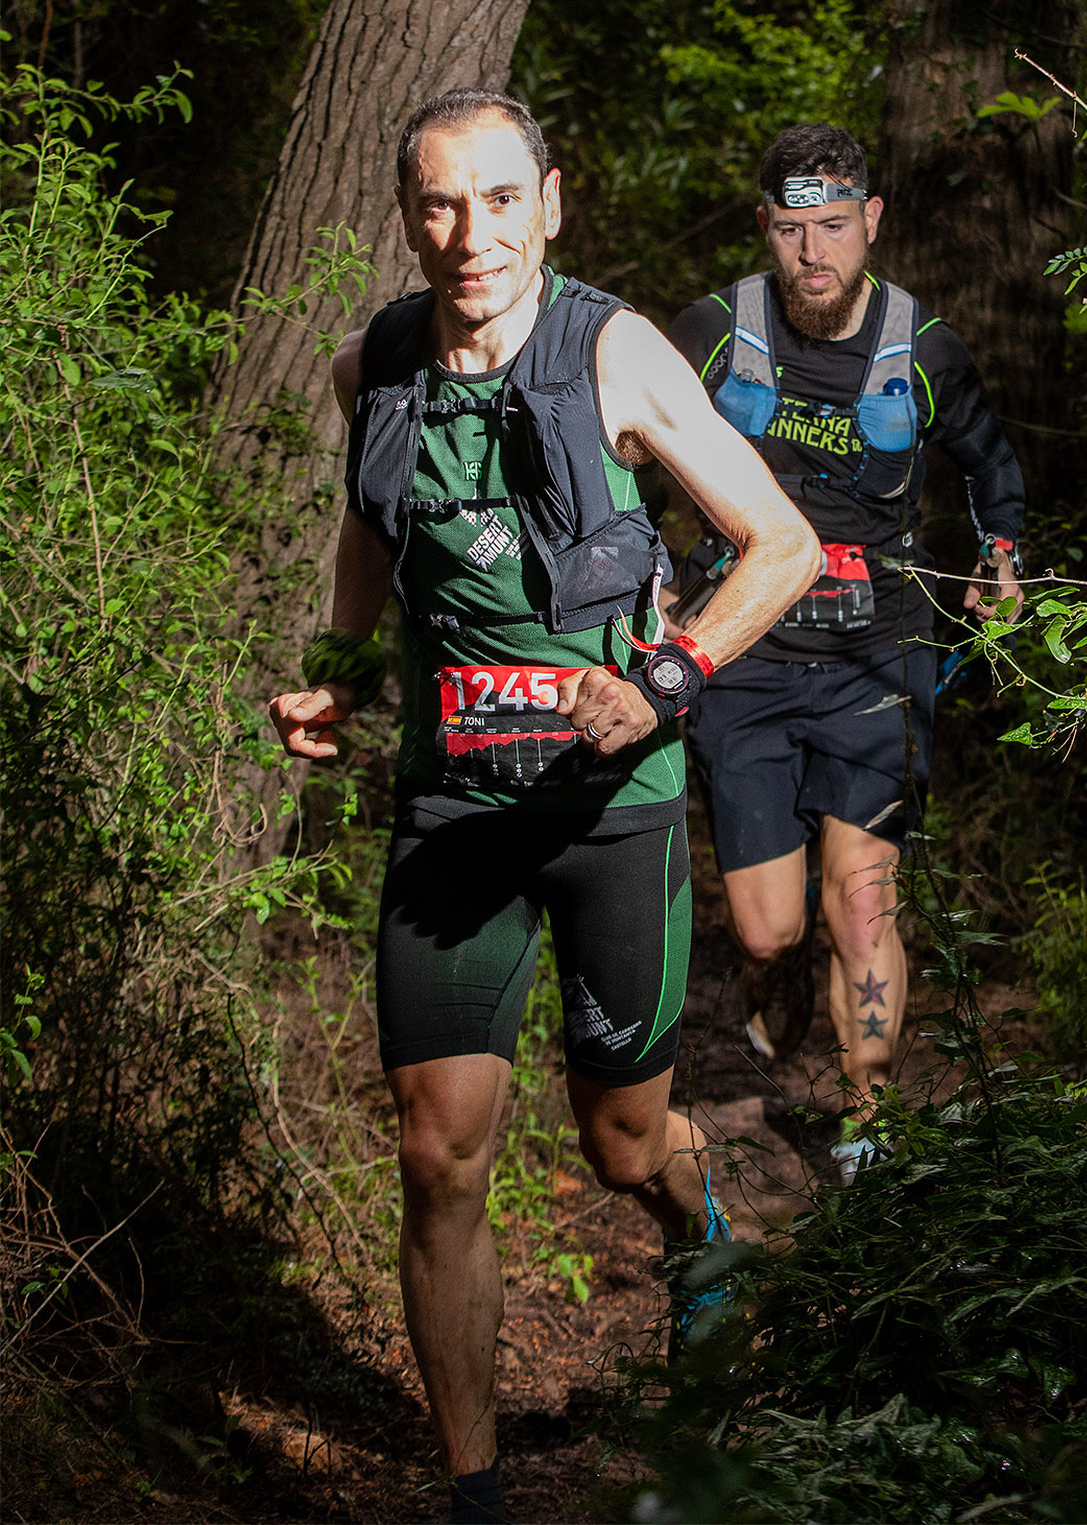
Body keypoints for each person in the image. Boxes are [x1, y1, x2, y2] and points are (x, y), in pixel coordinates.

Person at [267, 89, 819, 1525]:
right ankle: (477, 1492)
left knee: (621, 1140)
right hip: (455, 808)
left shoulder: (614, 354)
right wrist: (339, 674)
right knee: (436, 1149)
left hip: (610, 809)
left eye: (502, 198)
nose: (474, 235)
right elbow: (373, 532)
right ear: (409, 218)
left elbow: (782, 544)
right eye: (443, 204)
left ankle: (702, 1229)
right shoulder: (373, 365)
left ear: (550, 204)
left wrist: (666, 678)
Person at [666, 123, 1024, 1183]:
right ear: (764, 226)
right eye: (791, 228)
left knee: (863, 900)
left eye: (832, 225)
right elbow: (621, 444)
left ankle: (870, 1126)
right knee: (768, 930)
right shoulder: (714, 331)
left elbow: (990, 463)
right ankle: (776, 979)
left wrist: (999, 554)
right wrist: (644, 569)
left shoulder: (925, 348)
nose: (812, 252)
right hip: (744, 650)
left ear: (871, 219)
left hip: (879, 654)